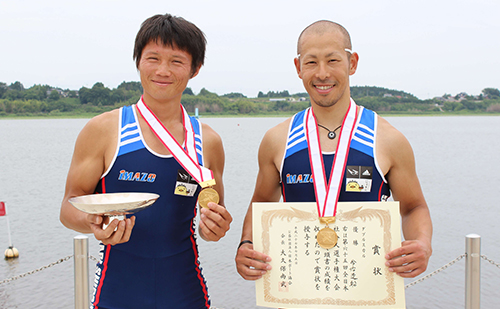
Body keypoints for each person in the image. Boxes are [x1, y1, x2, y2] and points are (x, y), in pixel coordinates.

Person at [235, 20, 432, 282]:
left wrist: (421, 244)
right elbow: (261, 202)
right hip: (297, 291)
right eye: (311, 62)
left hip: (364, 289)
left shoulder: (388, 139)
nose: (322, 73)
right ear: (298, 67)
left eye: (333, 60)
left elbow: (413, 207)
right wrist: (246, 244)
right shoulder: (277, 139)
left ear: (352, 63)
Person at [60, 13, 232, 308]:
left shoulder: (209, 141)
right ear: (138, 61)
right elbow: (68, 208)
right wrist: (95, 222)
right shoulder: (104, 130)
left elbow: (211, 217)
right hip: (116, 294)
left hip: (186, 293)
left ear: (195, 69)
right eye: (153, 58)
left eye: (176, 61)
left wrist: (214, 228)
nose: (163, 70)